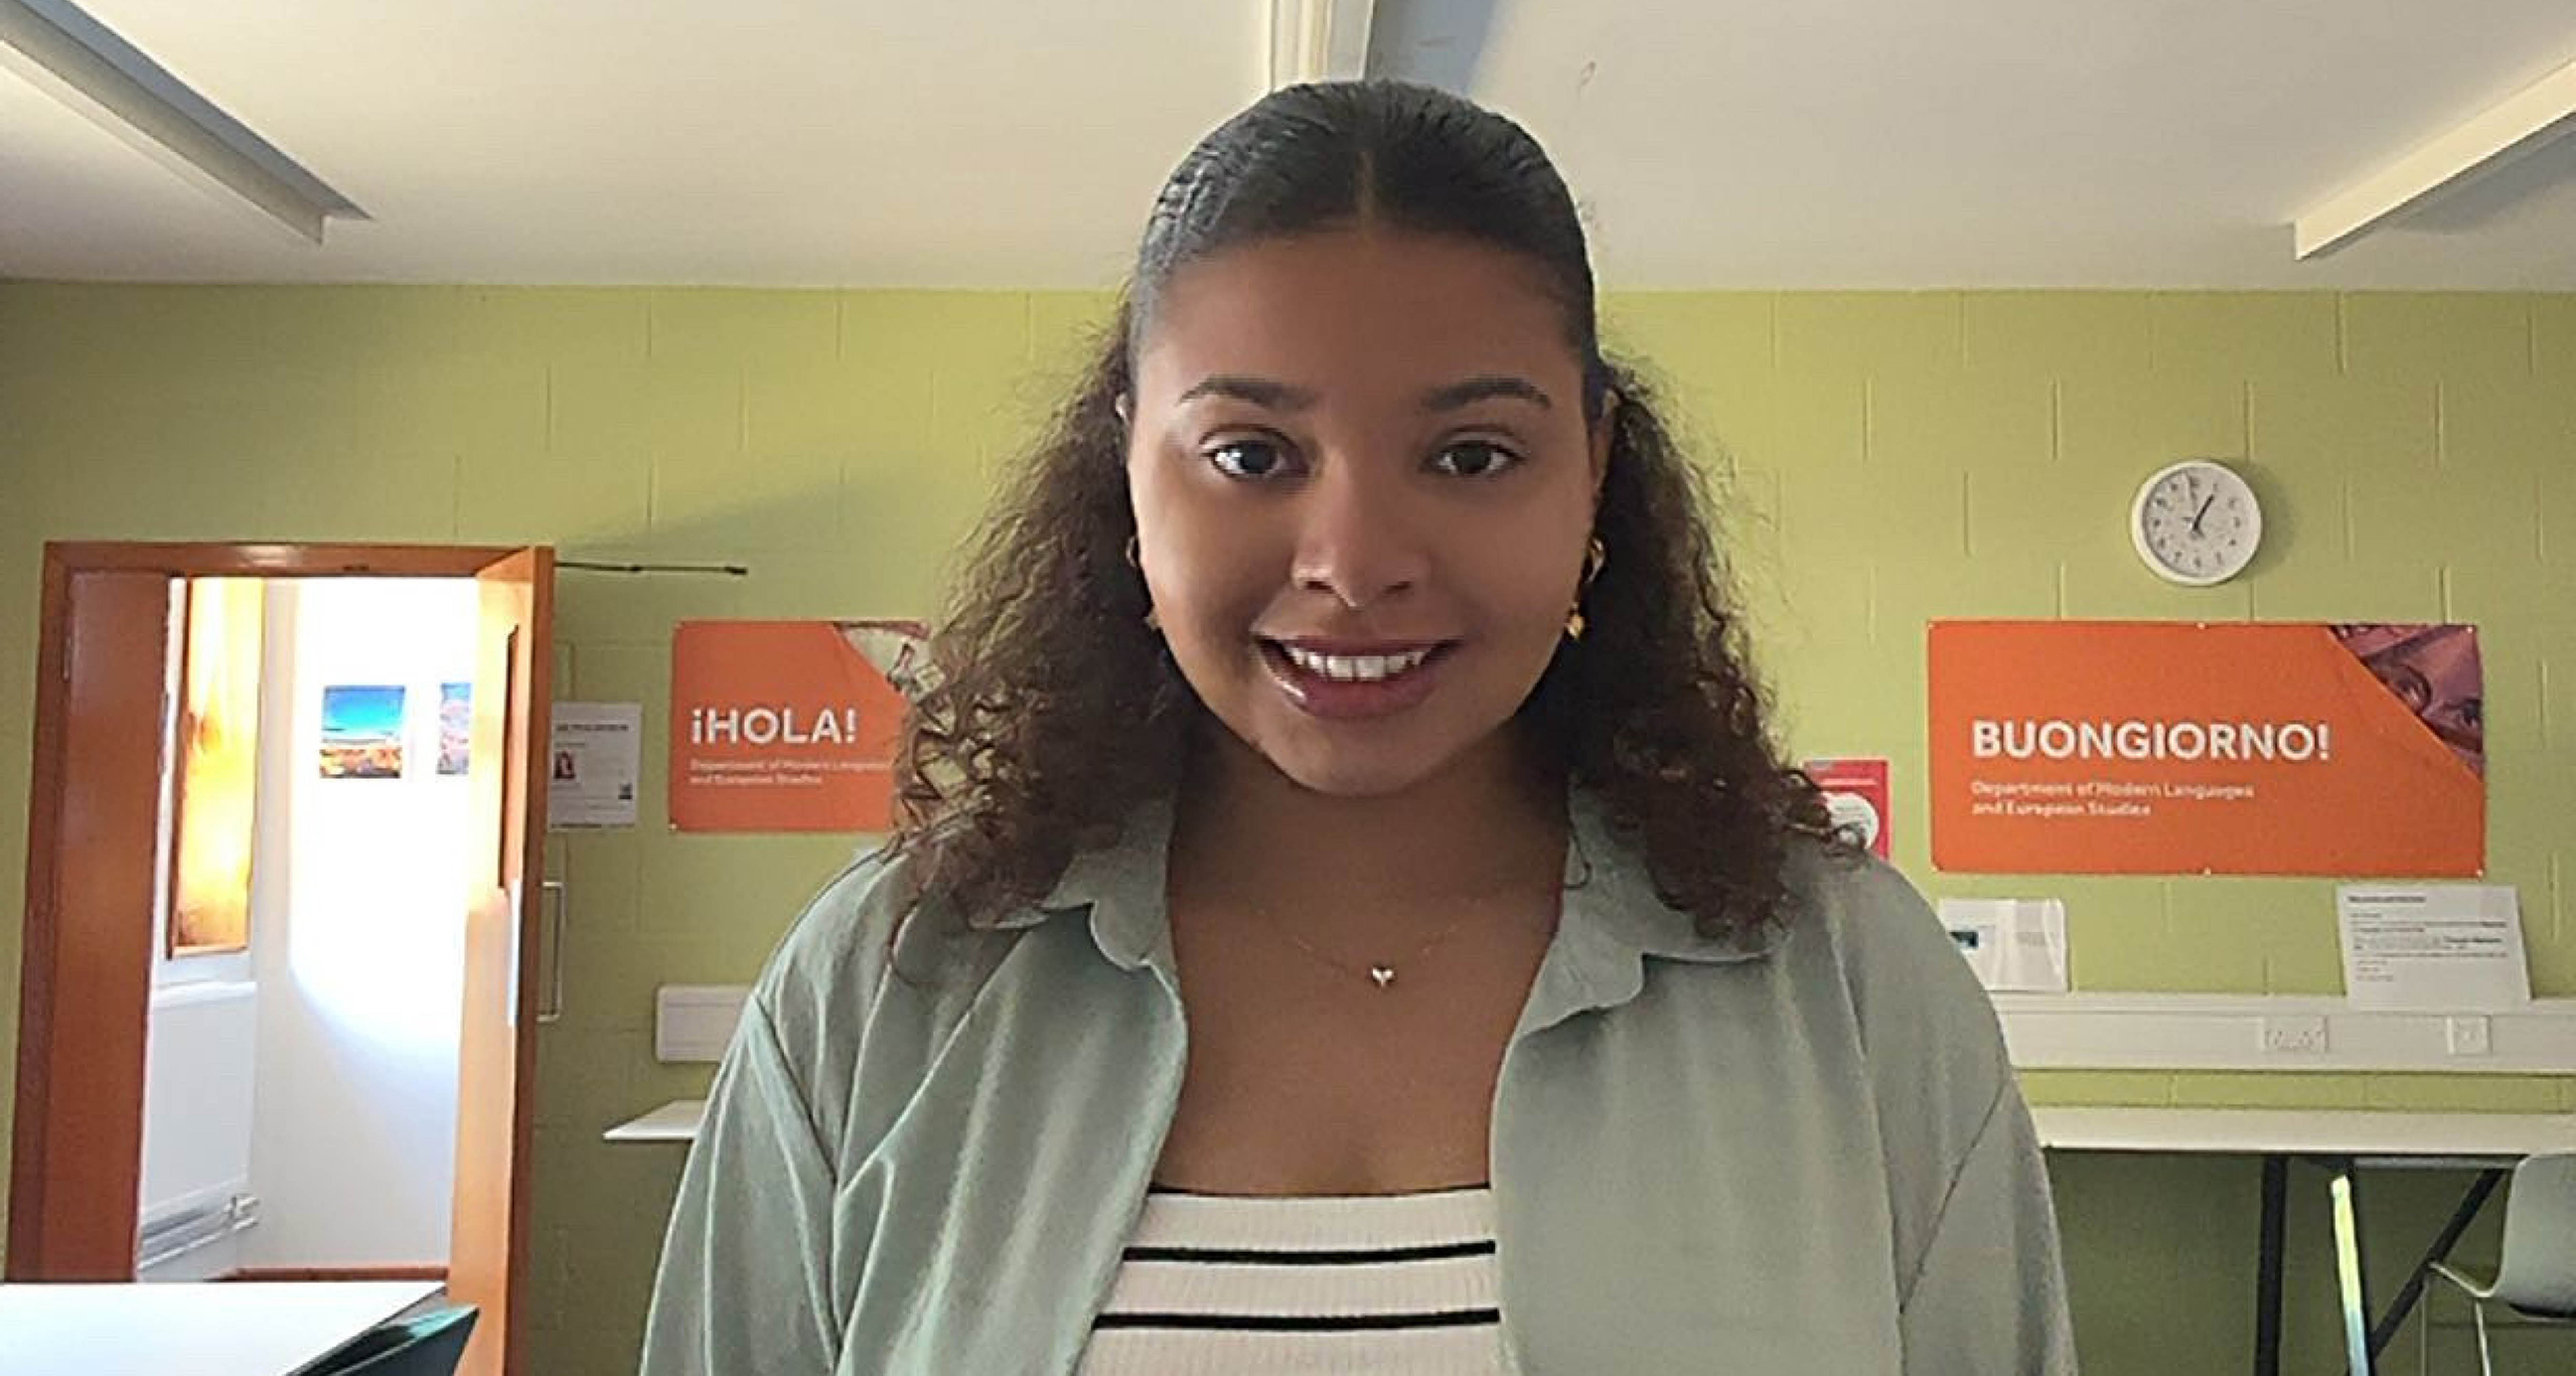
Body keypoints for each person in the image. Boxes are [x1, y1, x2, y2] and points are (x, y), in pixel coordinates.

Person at [642, 80, 2076, 1374]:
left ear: (1593, 476)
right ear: (1126, 471)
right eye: (1251, 454)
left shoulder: (1848, 984)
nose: (1354, 557)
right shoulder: (888, 983)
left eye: (1470, 454)